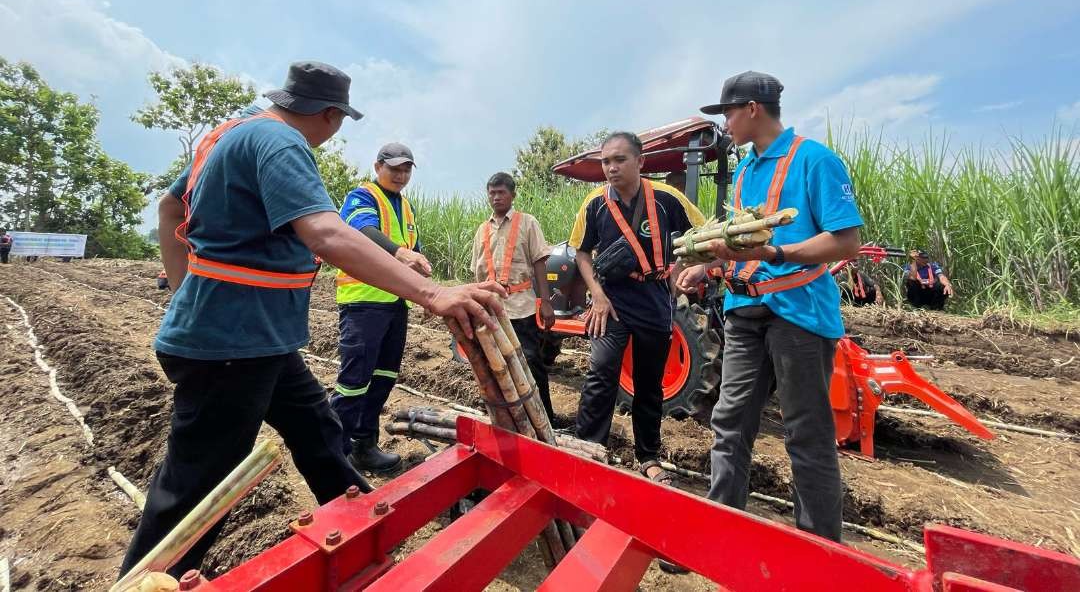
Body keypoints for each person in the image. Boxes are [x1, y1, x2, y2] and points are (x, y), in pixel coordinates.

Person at [119, 61, 504, 580]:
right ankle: (144, 581)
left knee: (319, 433)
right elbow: (326, 233)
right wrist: (433, 293)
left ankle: (366, 536)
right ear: (330, 115)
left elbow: (169, 209)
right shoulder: (281, 143)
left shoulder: (229, 134)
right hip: (232, 345)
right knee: (196, 488)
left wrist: (188, 293)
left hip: (259, 340)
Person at [677, 71, 862, 544]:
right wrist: (710, 268)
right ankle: (720, 529)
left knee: (806, 432)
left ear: (753, 109)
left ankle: (820, 549)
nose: (726, 124)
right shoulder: (743, 171)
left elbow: (846, 242)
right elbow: (740, 245)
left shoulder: (814, 161)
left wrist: (775, 254)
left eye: (728, 114)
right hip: (744, 313)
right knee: (729, 422)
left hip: (799, 314)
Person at [570, 131, 705, 485]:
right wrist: (597, 295)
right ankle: (588, 449)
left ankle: (647, 457)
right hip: (610, 302)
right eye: (605, 162)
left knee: (648, 384)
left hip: (654, 300)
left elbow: (703, 236)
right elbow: (581, 253)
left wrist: (690, 268)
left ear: (640, 162)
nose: (611, 168)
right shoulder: (595, 203)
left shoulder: (666, 198)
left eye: (619, 160)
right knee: (601, 373)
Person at [332, 143, 432, 473]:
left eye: (406, 170)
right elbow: (361, 229)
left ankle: (363, 446)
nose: (401, 175)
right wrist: (399, 253)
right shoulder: (362, 196)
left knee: (384, 377)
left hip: (394, 304)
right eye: (395, 169)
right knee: (353, 382)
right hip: (363, 303)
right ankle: (336, 456)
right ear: (378, 167)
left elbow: (413, 254)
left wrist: (426, 294)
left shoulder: (406, 207)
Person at [470, 172, 556, 420]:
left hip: (521, 308)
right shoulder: (482, 230)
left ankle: (545, 417)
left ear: (512, 195)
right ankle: (510, 418)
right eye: (492, 193)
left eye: (501, 192)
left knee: (530, 361)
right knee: (494, 365)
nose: (496, 197)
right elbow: (478, 273)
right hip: (491, 309)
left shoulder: (527, 223)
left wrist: (546, 302)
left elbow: (540, 263)